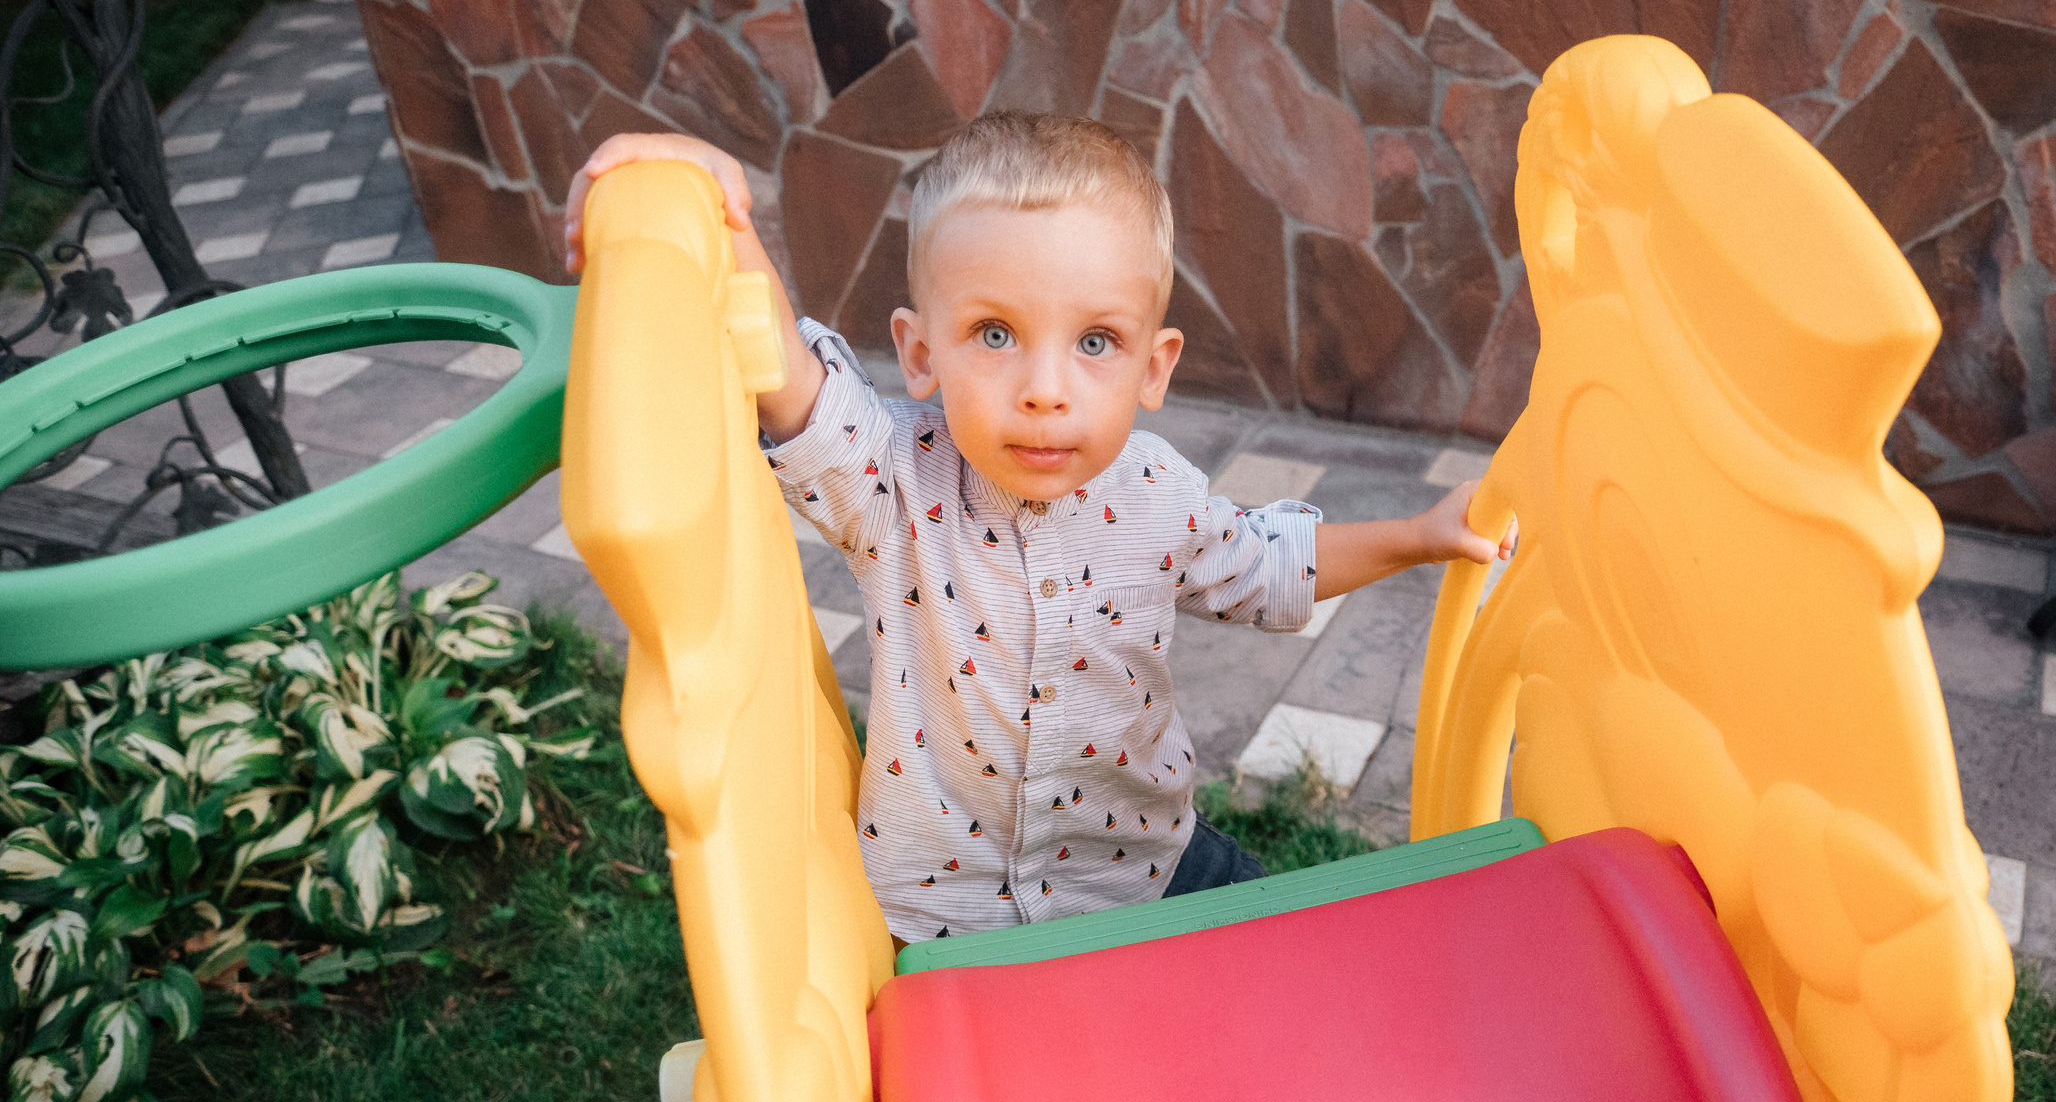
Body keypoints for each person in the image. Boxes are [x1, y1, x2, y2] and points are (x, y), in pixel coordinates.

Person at [564, 116, 1513, 944]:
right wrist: (711, 196)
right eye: (994, 332)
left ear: (1154, 364)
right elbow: (788, 382)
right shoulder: (889, 480)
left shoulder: (1159, 493)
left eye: (1095, 341)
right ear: (919, 350)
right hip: (945, 914)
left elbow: (1267, 564)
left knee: (1306, 996)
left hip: (1147, 869)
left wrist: (1420, 534)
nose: (1045, 387)